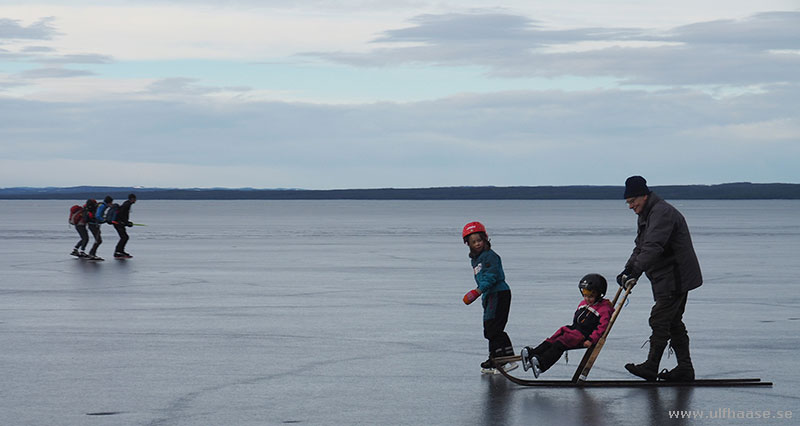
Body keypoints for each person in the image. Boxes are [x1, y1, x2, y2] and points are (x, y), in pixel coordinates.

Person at [617, 176, 702, 382]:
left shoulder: (661, 213)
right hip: (668, 276)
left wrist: (635, 271)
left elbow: (653, 246)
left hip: (676, 276)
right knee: (673, 322)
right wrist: (628, 270)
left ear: (644, 196)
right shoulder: (647, 213)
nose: (630, 206)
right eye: (628, 202)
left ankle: (651, 366)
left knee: (660, 319)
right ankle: (685, 368)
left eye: (632, 201)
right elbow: (640, 246)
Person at [519, 274, 614, 378]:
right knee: (553, 339)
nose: (587, 298)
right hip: (574, 329)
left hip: (583, 335)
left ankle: (541, 365)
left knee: (560, 343)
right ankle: (533, 354)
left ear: (599, 294)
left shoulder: (604, 309)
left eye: (590, 296)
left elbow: (601, 328)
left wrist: (591, 340)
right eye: (585, 295)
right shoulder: (584, 303)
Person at [461, 221, 518, 374]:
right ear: (468, 244)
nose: (477, 244)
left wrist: (477, 291)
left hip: (499, 293)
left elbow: (491, 277)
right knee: (489, 329)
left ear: (485, 239)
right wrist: (481, 293)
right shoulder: (476, 259)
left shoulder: (490, 257)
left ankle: (508, 357)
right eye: (473, 242)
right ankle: (494, 358)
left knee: (495, 327)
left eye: (479, 240)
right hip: (489, 296)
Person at [87, 195, 114, 261]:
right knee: (98, 240)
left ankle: (92, 253)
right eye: (111, 203)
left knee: (98, 239)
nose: (111, 204)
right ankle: (92, 254)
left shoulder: (101, 205)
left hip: (93, 224)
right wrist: (103, 220)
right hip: (93, 224)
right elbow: (98, 215)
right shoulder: (102, 206)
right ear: (109, 202)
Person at [113, 193, 137, 259]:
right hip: (118, 223)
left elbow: (124, 215)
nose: (135, 200)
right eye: (135, 199)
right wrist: (126, 222)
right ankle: (118, 252)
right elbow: (122, 214)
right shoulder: (127, 204)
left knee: (124, 237)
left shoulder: (127, 204)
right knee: (124, 237)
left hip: (119, 223)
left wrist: (127, 223)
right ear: (132, 199)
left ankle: (120, 251)